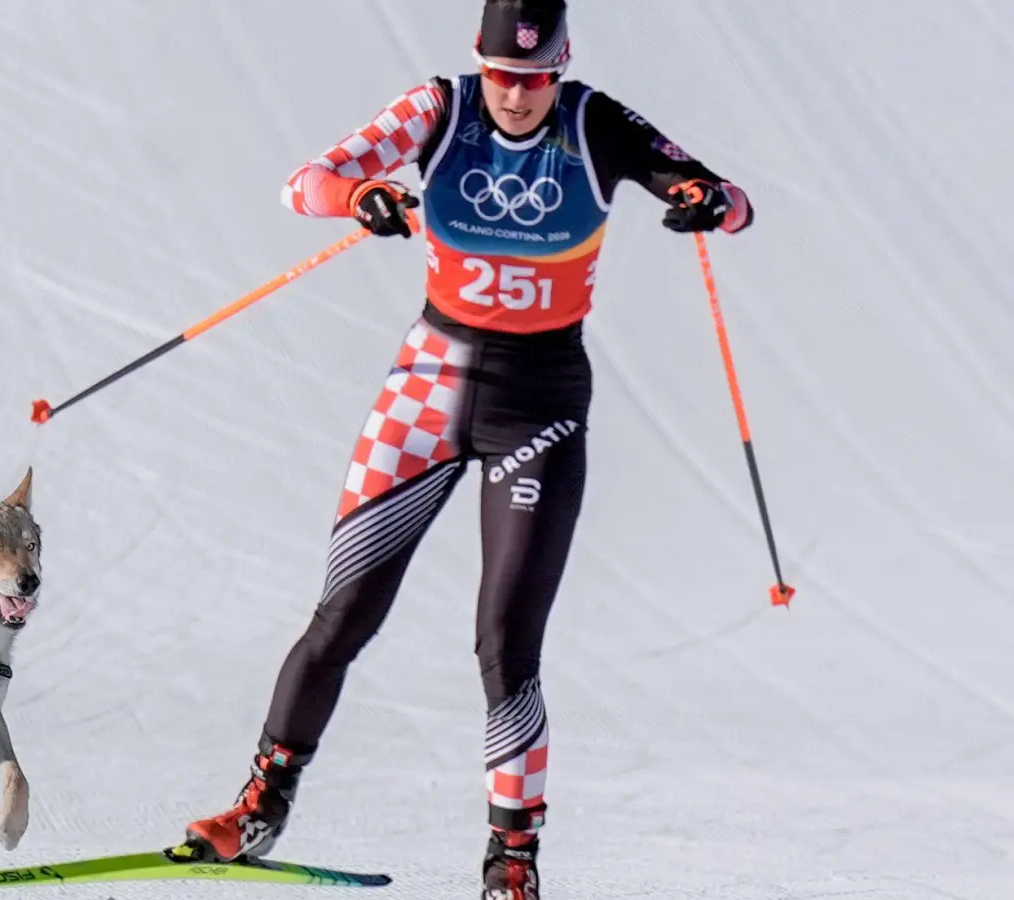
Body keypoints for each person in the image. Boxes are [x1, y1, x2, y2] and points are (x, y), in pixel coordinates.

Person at [177, 1, 754, 897]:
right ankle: (260, 806)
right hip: (426, 390)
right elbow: (304, 183)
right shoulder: (439, 109)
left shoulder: (594, 123)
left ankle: (511, 861)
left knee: (505, 645)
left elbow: (731, 201)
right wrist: (359, 196)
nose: (515, 96)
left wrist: (707, 199)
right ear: (477, 63)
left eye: (533, 79)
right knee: (342, 615)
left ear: (560, 67)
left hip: (539, 407)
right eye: (500, 76)